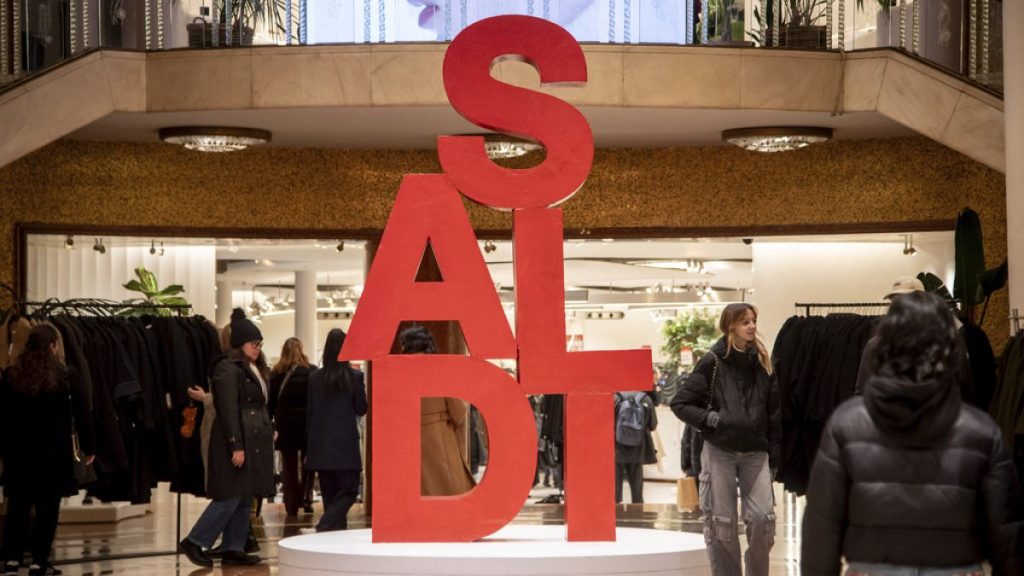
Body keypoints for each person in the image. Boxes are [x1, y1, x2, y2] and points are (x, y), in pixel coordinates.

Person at [802, 291, 1024, 576]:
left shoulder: (848, 425)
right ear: (951, 349)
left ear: (882, 346)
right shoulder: (979, 431)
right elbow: (1006, 532)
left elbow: (823, 524)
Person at [670, 303, 780, 576]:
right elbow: (680, 403)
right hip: (720, 450)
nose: (753, 326)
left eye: (754, 320)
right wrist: (710, 419)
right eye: (746, 322)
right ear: (730, 326)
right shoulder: (713, 361)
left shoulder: (764, 362)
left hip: (756, 452)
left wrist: (775, 458)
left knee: (762, 519)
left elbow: (775, 413)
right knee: (722, 523)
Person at [178, 309, 273, 567]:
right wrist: (235, 444)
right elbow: (228, 408)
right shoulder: (227, 368)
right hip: (234, 441)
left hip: (251, 441)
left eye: (259, 344)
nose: (257, 348)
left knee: (244, 495)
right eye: (254, 343)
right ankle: (195, 541)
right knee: (230, 496)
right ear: (240, 343)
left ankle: (233, 546)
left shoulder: (252, 367)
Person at [0, 325, 94, 576]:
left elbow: (2, 417)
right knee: (47, 508)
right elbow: (83, 414)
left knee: (17, 507)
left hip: (18, 454)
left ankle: (11, 560)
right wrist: (89, 447)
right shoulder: (66, 374)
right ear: (53, 346)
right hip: (53, 455)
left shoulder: (11, 374)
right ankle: (39, 561)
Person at [399, 326, 476, 496]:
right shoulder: (440, 369)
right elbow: (458, 410)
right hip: (438, 436)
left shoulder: (399, 371)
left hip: (407, 437)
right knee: (448, 489)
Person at [306, 329, 367, 532]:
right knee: (349, 490)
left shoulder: (314, 378)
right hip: (345, 445)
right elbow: (362, 408)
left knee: (330, 497)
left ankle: (331, 541)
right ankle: (323, 528)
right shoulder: (355, 377)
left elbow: (311, 413)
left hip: (320, 445)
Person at [269, 337, 316, 517]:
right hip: (306, 425)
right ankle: (307, 499)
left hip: (285, 425)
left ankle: (291, 503)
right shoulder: (311, 372)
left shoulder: (276, 374)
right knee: (308, 462)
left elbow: (271, 403)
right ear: (301, 350)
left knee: (288, 466)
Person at [614, 390, 657, 504]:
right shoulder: (646, 399)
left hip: (617, 449)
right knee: (637, 488)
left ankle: (616, 511)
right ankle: (638, 512)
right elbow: (653, 425)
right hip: (638, 448)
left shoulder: (615, 398)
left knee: (615, 488)